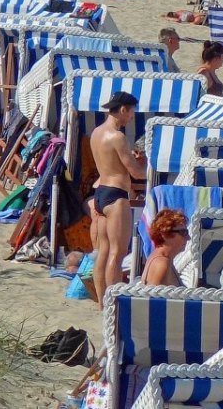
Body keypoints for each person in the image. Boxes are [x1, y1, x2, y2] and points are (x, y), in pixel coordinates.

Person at [89, 91, 143, 308]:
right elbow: (135, 172)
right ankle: (114, 304)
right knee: (117, 252)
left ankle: (102, 303)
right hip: (116, 195)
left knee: (103, 250)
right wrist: (151, 169)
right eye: (131, 112)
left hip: (101, 192)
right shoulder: (118, 136)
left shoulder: (96, 132)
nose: (131, 117)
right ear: (123, 110)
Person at [141, 209, 187, 287]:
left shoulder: (162, 259)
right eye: (183, 233)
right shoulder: (161, 263)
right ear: (165, 234)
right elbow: (154, 298)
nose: (188, 238)